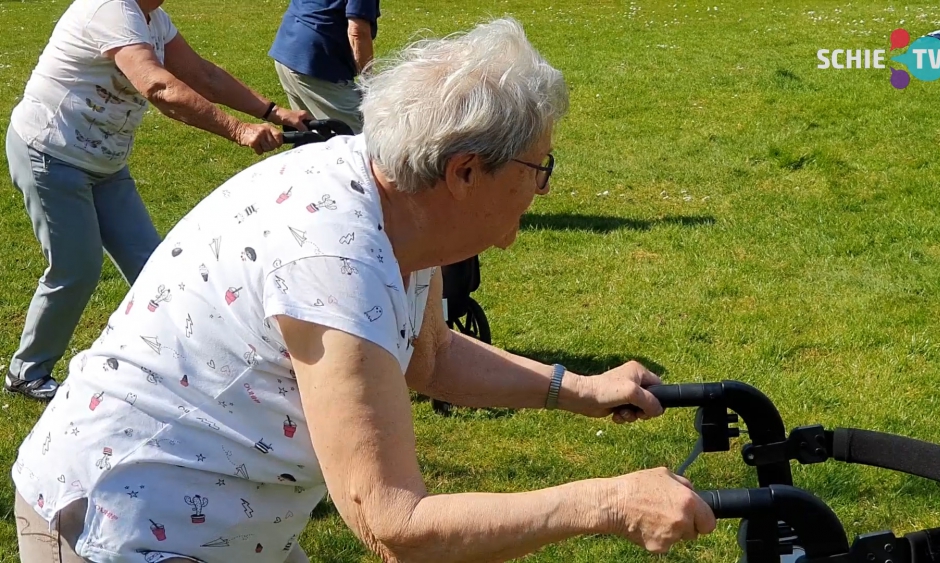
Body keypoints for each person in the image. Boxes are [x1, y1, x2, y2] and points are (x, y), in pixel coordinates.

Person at [10, 18, 716, 563]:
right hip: (120, 522)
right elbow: (392, 524)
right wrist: (608, 501)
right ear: (465, 172)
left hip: (220, 522)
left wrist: (578, 389)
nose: (543, 186)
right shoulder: (336, 256)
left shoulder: (393, 198)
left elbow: (431, 357)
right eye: (540, 165)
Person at [4, 0, 312, 402]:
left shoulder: (154, 20)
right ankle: (27, 371)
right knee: (76, 268)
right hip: (51, 153)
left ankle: (175, 360)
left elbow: (203, 75)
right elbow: (158, 86)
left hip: (105, 162)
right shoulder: (110, 11)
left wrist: (273, 112)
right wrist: (238, 130)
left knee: (154, 265)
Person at [268, 0, 379, 133]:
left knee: (314, 136)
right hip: (316, 62)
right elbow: (357, 31)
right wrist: (368, 81)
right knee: (363, 138)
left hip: (288, 47)